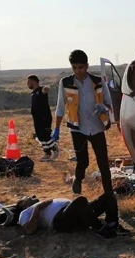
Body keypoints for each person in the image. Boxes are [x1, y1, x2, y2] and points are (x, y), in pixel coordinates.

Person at [52, 50, 113, 195]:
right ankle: (78, 179)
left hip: (97, 126)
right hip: (78, 129)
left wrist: (104, 108)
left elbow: (109, 103)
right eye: (75, 68)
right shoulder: (66, 83)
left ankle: (109, 193)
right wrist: (56, 129)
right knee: (82, 161)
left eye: (80, 67)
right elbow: (61, 107)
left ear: (87, 66)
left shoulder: (97, 82)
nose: (78, 71)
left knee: (103, 162)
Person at [17, 193, 123, 239]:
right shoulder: (25, 212)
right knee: (81, 200)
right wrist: (37, 209)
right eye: (27, 197)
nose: (32, 196)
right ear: (22, 203)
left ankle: (113, 224)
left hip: (77, 212)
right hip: (60, 221)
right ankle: (101, 229)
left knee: (108, 196)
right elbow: (29, 230)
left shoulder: (39, 204)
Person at [27, 74, 59, 161]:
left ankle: (54, 147)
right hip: (37, 119)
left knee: (46, 135)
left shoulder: (40, 90)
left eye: (28, 81)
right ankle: (47, 154)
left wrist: (46, 89)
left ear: (33, 81)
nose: (27, 84)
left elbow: (44, 90)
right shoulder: (33, 93)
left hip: (44, 118)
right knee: (40, 136)